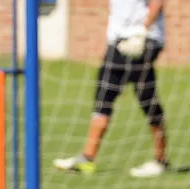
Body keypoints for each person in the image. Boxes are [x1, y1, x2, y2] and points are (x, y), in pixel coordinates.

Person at [53, 0, 169, 178]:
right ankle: (87, 157)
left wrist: (142, 31)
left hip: (143, 40)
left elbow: (157, 2)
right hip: (118, 42)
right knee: (105, 95)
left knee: (145, 97)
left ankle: (160, 160)